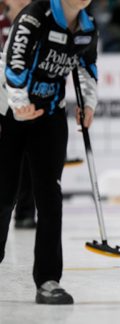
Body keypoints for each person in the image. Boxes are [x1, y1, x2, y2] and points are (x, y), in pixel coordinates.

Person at [0, 0, 98, 304]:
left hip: (51, 115)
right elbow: (14, 63)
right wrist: (19, 103)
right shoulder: (34, 16)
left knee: (50, 198)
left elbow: (87, 67)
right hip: (11, 112)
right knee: (4, 195)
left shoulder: (87, 27)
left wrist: (89, 103)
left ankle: (48, 280)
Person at [0, 0, 36, 229]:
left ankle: (25, 213)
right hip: (3, 101)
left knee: (29, 159)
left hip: (30, 100)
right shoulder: (3, 24)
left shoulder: (39, 25)